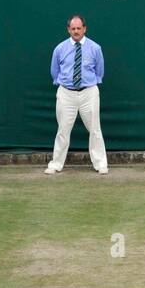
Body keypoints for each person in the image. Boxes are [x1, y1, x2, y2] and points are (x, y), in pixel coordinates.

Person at [45, 14, 108, 175]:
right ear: (68, 30)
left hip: (89, 92)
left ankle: (101, 163)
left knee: (95, 129)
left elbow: (99, 71)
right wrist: (63, 83)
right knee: (63, 130)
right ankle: (56, 164)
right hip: (66, 93)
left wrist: (90, 83)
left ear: (84, 28)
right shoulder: (60, 49)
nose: (76, 31)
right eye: (73, 28)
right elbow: (54, 71)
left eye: (79, 28)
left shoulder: (95, 48)